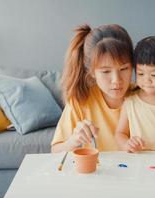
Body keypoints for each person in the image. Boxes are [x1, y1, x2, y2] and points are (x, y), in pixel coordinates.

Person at [51, 24, 133, 153]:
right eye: (106, 72)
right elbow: (55, 151)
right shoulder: (81, 100)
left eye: (124, 69)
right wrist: (73, 141)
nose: (116, 80)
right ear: (92, 73)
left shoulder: (144, 96)